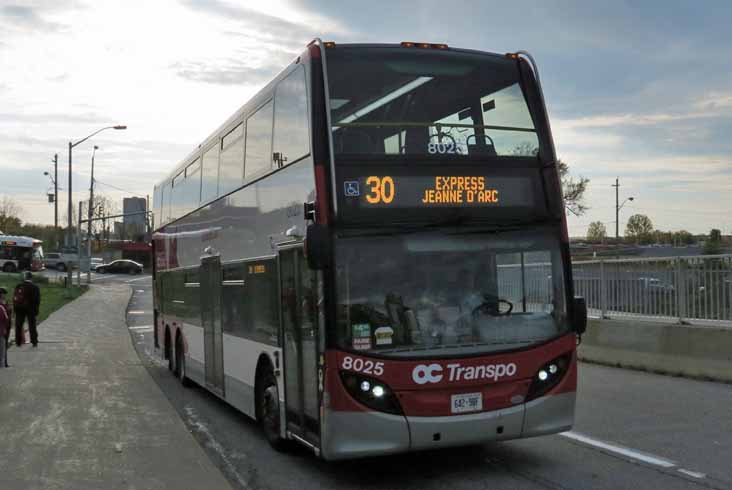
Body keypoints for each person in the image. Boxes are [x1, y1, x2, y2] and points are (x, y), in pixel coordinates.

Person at [13, 271, 41, 347]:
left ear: (24, 278)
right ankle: (34, 341)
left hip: (19, 308)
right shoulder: (35, 287)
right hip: (31, 309)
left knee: (18, 324)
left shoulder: (19, 286)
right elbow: (37, 300)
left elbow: (15, 298)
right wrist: (36, 311)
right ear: (31, 278)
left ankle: (18, 342)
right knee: (32, 325)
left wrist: (15, 309)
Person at [0, 287, 10, 367]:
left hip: (5, 327)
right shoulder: (2, 306)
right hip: (2, 329)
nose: (5, 296)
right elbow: (5, 317)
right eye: (4, 294)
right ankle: (2, 364)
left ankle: (5, 363)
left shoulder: (5, 303)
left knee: (4, 345)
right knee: (2, 347)